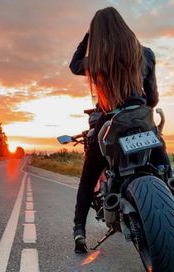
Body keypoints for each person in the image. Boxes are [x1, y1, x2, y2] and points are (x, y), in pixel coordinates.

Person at [69, 7, 172, 253]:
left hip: (111, 123)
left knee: (88, 177)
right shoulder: (145, 54)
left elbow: (74, 65)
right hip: (142, 119)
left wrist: (87, 38)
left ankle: (79, 231)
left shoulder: (96, 61)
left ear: (97, 35)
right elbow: (153, 98)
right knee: (165, 169)